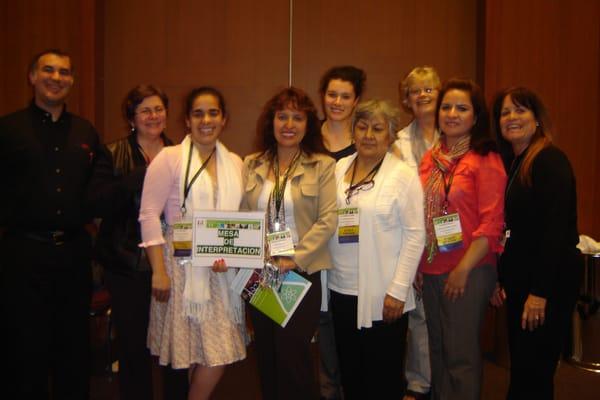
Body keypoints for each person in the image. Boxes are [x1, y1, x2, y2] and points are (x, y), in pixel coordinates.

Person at [0, 49, 105, 399]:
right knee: (23, 350)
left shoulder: (85, 132)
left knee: (73, 350)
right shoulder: (8, 129)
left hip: (73, 256)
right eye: (48, 70)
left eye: (64, 72)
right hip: (21, 256)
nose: (56, 78)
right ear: (32, 77)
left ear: (72, 81)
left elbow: (102, 187)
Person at [138, 86, 247, 400]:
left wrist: (232, 255)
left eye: (213, 112)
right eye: (198, 113)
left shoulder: (235, 163)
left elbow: (239, 220)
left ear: (224, 119)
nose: (206, 120)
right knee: (192, 351)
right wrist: (159, 272)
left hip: (220, 271)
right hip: (182, 269)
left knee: (218, 351)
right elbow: (148, 215)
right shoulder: (169, 159)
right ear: (187, 120)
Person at [242, 87, 337, 400]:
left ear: (308, 125)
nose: (289, 124)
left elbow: (328, 220)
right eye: (282, 116)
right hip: (261, 273)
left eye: (298, 117)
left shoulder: (322, 165)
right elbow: (242, 217)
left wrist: (294, 258)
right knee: (267, 356)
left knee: (292, 358)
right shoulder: (251, 163)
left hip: (300, 273)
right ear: (271, 121)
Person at [328, 99, 425, 400]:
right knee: (351, 373)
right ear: (353, 131)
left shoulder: (403, 175)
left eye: (378, 128)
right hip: (341, 287)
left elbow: (415, 235)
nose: (369, 134)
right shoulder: (339, 168)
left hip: (384, 295)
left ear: (390, 135)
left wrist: (398, 290)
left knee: (382, 378)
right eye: (362, 126)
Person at [491, 87, 583, 399]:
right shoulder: (515, 162)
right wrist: (503, 278)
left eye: (520, 110)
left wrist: (539, 293)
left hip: (547, 285)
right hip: (523, 282)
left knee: (536, 372)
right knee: (524, 368)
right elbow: (513, 230)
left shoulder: (549, 160)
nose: (512, 118)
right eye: (505, 112)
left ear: (537, 118)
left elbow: (555, 232)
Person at [419, 78, 506, 400]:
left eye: (462, 108)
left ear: (476, 116)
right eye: (446, 107)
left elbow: (492, 223)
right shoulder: (432, 158)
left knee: (461, 356)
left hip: (468, 269)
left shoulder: (485, 158)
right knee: (438, 351)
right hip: (431, 269)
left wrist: (463, 269)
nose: (452, 114)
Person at [94, 85, 173, 399]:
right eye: (145, 111)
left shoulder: (180, 152)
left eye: (158, 109)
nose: (153, 116)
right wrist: (142, 175)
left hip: (171, 262)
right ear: (132, 118)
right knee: (134, 346)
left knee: (171, 344)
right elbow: (97, 203)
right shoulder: (113, 152)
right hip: (126, 264)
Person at [317, 64, 366, 400]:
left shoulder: (364, 141)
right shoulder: (308, 137)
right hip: (315, 248)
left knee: (349, 327)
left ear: (356, 100)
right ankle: (327, 390)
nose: (337, 101)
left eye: (344, 96)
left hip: (353, 249)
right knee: (322, 326)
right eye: (332, 94)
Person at [393, 66, 441, 400]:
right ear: (407, 100)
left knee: (449, 314)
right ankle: (419, 383)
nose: (422, 95)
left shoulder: (457, 136)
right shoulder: (397, 143)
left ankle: (447, 380)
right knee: (419, 316)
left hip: (451, 241)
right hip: (412, 237)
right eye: (415, 91)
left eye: (429, 90)